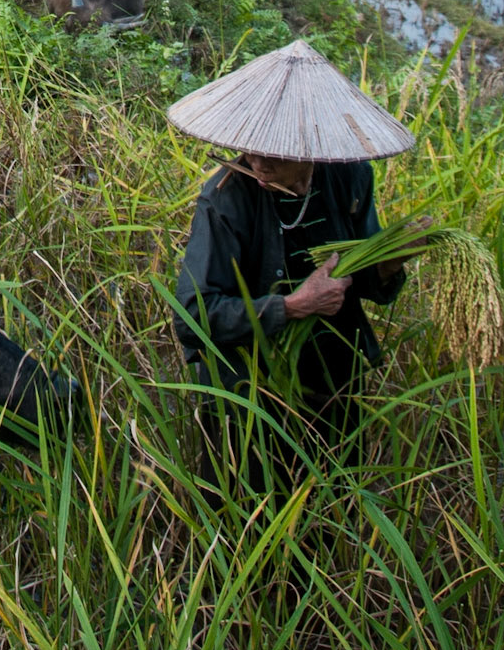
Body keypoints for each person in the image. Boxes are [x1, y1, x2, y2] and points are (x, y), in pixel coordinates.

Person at [165, 37, 424, 481]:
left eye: (275, 154)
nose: (259, 165)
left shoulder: (349, 178)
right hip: (248, 395)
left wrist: (389, 262)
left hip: (331, 381)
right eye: (252, 149)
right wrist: (292, 307)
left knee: (330, 506)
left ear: (310, 148)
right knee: (248, 512)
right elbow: (192, 315)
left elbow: (362, 278)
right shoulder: (225, 200)